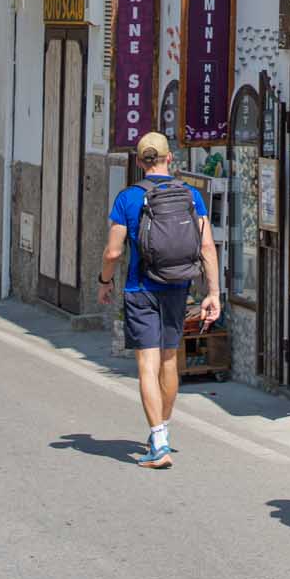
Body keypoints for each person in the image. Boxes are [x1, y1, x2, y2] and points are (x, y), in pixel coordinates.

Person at [97, 131, 221, 469]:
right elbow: (207, 247)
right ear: (170, 159)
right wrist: (213, 293)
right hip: (178, 288)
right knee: (169, 362)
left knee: (146, 366)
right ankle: (161, 432)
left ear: (139, 162)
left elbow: (112, 251)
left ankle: (159, 441)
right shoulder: (192, 195)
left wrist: (104, 281)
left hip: (141, 289)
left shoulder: (128, 199)